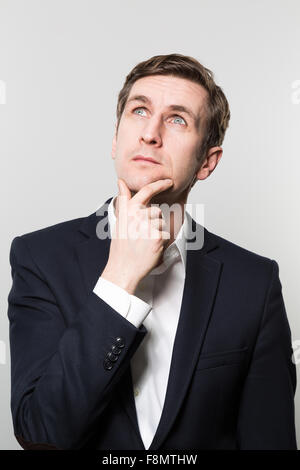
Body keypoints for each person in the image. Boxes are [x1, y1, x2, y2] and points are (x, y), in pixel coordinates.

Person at [7, 53, 297, 450]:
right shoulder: (38, 258)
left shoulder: (254, 282)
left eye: (177, 119)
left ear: (207, 162)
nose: (150, 133)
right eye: (139, 111)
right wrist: (119, 279)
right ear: (115, 138)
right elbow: (41, 433)